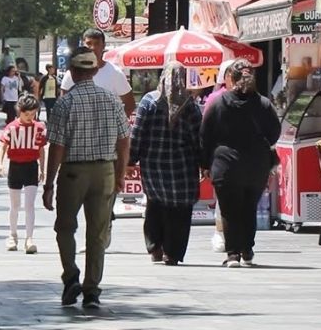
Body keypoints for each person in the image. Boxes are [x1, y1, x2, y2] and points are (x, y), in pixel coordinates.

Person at [42, 48, 130, 309]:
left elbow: (56, 146)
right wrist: (120, 173)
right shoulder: (112, 99)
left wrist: (48, 184)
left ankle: (71, 277)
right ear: (94, 71)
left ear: (71, 72)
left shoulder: (65, 103)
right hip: (104, 170)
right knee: (97, 232)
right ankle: (92, 289)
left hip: (73, 173)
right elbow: (124, 141)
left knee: (65, 227)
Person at [60, 28, 136, 251]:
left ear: (103, 47)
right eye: (88, 43)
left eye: (95, 44)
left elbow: (129, 104)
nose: (92, 47)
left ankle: (103, 228)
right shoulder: (71, 74)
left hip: (108, 144)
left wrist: (114, 125)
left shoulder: (114, 73)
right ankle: (95, 231)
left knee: (107, 189)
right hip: (80, 145)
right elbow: (64, 105)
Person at [200, 59, 280, 268]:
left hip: (225, 165)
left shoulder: (218, 104)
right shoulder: (264, 104)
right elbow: (274, 133)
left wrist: (204, 163)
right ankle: (247, 249)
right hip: (256, 166)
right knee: (248, 208)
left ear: (230, 79)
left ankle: (233, 253)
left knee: (229, 210)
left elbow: (205, 135)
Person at [129, 62, 202, 266]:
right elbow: (198, 139)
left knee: (155, 205)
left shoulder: (148, 102)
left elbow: (137, 133)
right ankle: (173, 253)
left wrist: (131, 158)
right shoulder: (190, 105)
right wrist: (203, 162)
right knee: (179, 211)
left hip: (153, 167)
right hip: (182, 169)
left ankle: (155, 247)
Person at [0, 95, 46, 254]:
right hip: (15, 166)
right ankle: (12, 235)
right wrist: (0, 165)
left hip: (31, 166)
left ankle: (29, 238)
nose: (30, 118)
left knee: (30, 204)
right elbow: (3, 147)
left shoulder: (39, 127)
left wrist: (42, 168)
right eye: (26, 114)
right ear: (19, 112)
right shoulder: (11, 127)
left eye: (33, 114)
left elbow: (41, 150)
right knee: (15, 205)